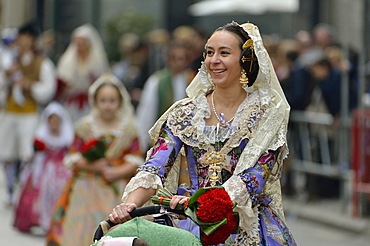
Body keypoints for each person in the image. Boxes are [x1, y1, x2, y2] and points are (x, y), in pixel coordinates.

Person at [108, 21, 296, 245]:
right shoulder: (185, 113)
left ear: (246, 59)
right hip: (191, 223)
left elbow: (253, 178)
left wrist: (203, 203)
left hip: (247, 226)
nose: (214, 60)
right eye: (209, 52)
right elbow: (156, 164)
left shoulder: (266, 116)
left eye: (224, 53)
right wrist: (131, 204)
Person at [46, 73, 143, 246]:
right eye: (103, 100)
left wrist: (116, 171)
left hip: (117, 187)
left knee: (114, 227)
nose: (107, 106)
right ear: (95, 101)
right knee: (81, 228)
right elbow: (73, 157)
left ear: (120, 102)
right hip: (86, 186)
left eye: (112, 101)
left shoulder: (128, 129)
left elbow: (135, 159)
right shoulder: (84, 126)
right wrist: (95, 166)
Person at [0, 21, 56, 207]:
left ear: (32, 39)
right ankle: (9, 190)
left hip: (29, 113)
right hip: (9, 111)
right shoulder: (10, 59)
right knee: (7, 153)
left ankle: (25, 192)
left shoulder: (42, 63)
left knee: (27, 153)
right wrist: (7, 76)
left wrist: (30, 85)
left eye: (24, 37)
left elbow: (48, 89)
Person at [13, 101, 74, 232]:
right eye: (51, 121)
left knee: (58, 193)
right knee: (43, 193)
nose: (54, 124)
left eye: (57, 121)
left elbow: (70, 154)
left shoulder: (66, 137)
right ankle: (41, 220)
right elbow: (34, 154)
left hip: (61, 171)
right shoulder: (42, 135)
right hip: (45, 170)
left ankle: (56, 221)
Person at [136, 40, 195, 153]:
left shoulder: (194, 80)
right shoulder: (157, 81)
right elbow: (147, 112)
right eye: (174, 58)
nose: (178, 62)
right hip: (163, 140)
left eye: (181, 58)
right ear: (168, 59)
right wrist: (143, 143)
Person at [55, 23, 109, 122]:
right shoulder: (67, 61)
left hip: (91, 105)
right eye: (77, 43)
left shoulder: (97, 62)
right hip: (71, 105)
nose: (80, 47)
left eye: (82, 43)